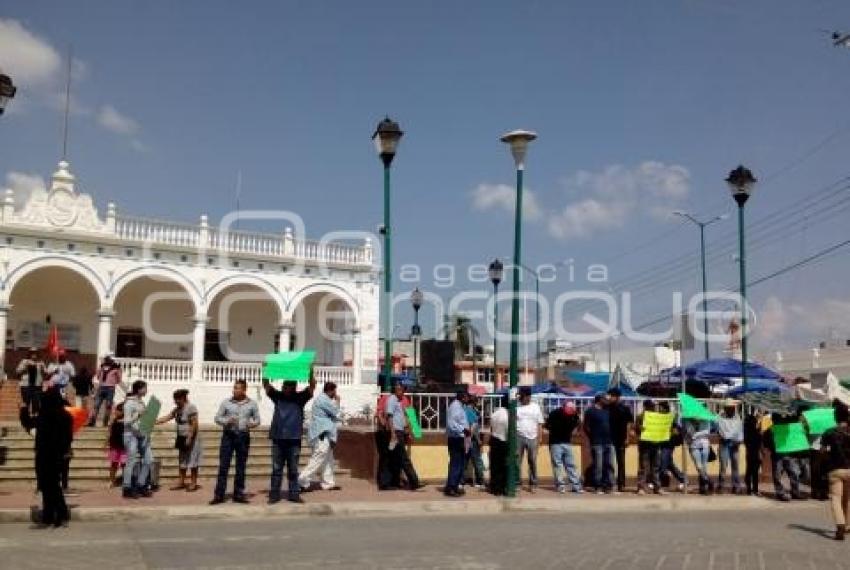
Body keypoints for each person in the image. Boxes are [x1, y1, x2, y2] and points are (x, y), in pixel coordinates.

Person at [20, 387, 73, 527]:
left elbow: (27, 423)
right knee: (54, 485)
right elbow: (69, 438)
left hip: (44, 455)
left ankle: (51, 515)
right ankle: (59, 514)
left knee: (46, 486)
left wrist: (23, 409)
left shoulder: (44, 415)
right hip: (59, 456)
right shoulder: (66, 416)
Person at [263, 374, 315, 504]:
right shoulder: (277, 396)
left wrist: (311, 371)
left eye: (288, 386)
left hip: (294, 438)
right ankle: (274, 495)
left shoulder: (300, 398)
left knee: (293, 469)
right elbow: (266, 385)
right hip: (278, 438)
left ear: (294, 387)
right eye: (284, 386)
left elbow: (312, 386)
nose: (285, 388)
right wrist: (264, 371)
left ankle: (294, 494)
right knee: (276, 469)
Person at [211, 379, 261, 504]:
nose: (234, 390)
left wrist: (251, 424)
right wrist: (226, 421)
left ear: (244, 390)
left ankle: (238, 494)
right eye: (234, 388)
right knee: (223, 466)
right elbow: (217, 418)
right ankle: (219, 495)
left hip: (243, 436)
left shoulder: (252, 404)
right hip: (228, 435)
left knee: (241, 466)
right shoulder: (226, 403)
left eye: (237, 388)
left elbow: (257, 420)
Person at [299, 382, 342, 492]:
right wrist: (338, 401)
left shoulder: (324, 400)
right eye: (334, 391)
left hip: (325, 432)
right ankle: (302, 480)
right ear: (331, 390)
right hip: (321, 433)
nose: (335, 393)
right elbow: (336, 412)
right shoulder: (323, 400)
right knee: (319, 456)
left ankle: (328, 483)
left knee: (328, 459)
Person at [156, 389, 201, 492]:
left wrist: (190, 437)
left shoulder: (191, 407)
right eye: (175, 399)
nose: (176, 401)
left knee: (192, 461)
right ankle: (181, 482)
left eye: (177, 399)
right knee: (182, 460)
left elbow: (194, 424)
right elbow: (167, 417)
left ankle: (193, 483)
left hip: (191, 437)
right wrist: (154, 422)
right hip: (181, 437)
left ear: (183, 398)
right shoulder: (177, 409)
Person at [384, 382, 423, 491]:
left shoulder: (403, 400)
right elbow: (389, 416)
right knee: (402, 458)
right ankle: (414, 481)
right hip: (396, 432)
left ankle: (392, 482)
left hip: (401, 431)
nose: (402, 392)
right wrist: (393, 433)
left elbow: (409, 416)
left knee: (396, 458)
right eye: (400, 390)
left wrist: (413, 432)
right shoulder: (393, 400)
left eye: (403, 390)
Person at [822, 403, 850, 540]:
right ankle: (848, 525)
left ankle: (840, 525)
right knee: (848, 498)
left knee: (836, 498)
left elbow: (822, 451)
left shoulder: (829, 432)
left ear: (835, 417)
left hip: (835, 469)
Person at [122, 380, 153, 499]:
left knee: (149, 460)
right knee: (131, 461)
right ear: (139, 389)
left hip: (142, 434)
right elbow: (126, 422)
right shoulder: (129, 403)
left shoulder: (141, 402)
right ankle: (127, 487)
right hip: (130, 435)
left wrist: (148, 419)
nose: (146, 390)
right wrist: (138, 415)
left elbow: (143, 419)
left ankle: (141, 484)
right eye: (145, 388)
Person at [545, 399, 582, 494]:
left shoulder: (573, 415)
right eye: (570, 409)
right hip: (555, 442)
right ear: (564, 407)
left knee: (571, 465)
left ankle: (576, 486)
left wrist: (575, 431)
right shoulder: (554, 413)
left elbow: (578, 423)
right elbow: (547, 425)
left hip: (567, 442)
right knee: (557, 465)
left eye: (572, 410)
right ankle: (560, 486)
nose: (571, 412)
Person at [767, 412, 802, 502]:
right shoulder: (770, 430)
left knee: (794, 473)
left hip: (788, 454)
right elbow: (766, 442)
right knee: (778, 475)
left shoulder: (787, 428)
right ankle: (780, 493)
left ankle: (795, 491)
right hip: (778, 455)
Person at [584, 393, 615, 493]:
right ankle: (598, 486)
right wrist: (592, 437)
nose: (607, 400)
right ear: (599, 400)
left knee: (609, 464)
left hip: (609, 441)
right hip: (597, 442)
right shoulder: (590, 411)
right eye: (604, 398)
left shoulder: (608, 411)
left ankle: (608, 486)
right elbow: (586, 427)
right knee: (598, 465)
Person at [516, 387, 544, 492]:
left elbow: (540, 423)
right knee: (517, 461)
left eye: (524, 396)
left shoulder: (535, 407)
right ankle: (517, 483)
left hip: (533, 437)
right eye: (521, 396)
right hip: (519, 436)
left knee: (532, 461)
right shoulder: (516, 407)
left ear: (528, 396)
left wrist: (540, 438)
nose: (522, 398)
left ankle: (533, 483)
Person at [607, 387, 634, 492]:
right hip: (609, 438)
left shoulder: (625, 408)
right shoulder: (607, 407)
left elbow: (629, 423)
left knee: (621, 462)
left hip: (621, 438)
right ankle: (610, 483)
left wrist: (627, 437)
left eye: (611, 396)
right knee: (609, 462)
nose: (609, 397)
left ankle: (621, 484)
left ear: (617, 397)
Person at [444, 390, 471, 497]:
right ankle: (451, 488)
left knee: (459, 464)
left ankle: (454, 486)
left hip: (460, 438)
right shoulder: (455, 407)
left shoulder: (459, 406)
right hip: (456, 439)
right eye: (467, 397)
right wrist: (463, 430)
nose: (468, 398)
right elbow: (451, 424)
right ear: (462, 397)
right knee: (456, 464)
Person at [635, 400, 664, 495]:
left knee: (656, 467)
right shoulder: (640, 417)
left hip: (656, 444)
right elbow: (635, 429)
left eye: (653, 406)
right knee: (643, 467)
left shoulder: (658, 417)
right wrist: (640, 428)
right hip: (645, 445)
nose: (653, 408)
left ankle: (657, 487)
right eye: (651, 406)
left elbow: (662, 428)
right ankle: (641, 487)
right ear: (646, 407)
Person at [657, 401, 687, 492]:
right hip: (661, 443)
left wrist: (674, 431)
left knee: (662, 464)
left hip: (668, 444)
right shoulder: (658, 418)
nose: (659, 410)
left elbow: (676, 430)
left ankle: (659, 481)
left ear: (665, 408)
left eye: (660, 408)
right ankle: (683, 479)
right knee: (669, 464)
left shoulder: (671, 418)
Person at [716, 398, 744, 494]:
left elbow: (739, 431)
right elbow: (723, 432)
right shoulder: (720, 417)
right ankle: (721, 485)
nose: (731, 409)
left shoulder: (737, 417)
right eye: (729, 407)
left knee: (735, 466)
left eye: (732, 407)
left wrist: (737, 439)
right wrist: (732, 435)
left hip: (735, 444)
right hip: (724, 444)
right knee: (723, 466)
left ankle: (736, 486)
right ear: (725, 408)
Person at [89, 355, 122, 427]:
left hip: (103, 387)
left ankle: (94, 421)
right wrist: (113, 381)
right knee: (107, 406)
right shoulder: (115, 368)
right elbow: (119, 379)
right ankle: (103, 422)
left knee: (98, 405)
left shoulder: (102, 367)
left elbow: (97, 376)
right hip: (109, 387)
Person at [684, 418, 714, 495]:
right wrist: (698, 433)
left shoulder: (706, 420)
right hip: (693, 446)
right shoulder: (687, 420)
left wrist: (696, 434)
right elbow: (690, 433)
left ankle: (703, 488)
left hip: (705, 445)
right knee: (698, 467)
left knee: (704, 467)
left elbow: (707, 432)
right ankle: (709, 481)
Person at [463, 395, 485, 489]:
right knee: (477, 461)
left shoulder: (463, 410)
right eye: (477, 402)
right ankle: (480, 481)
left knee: (464, 461)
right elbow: (474, 427)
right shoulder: (472, 412)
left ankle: (461, 481)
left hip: (463, 438)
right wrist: (479, 440)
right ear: (473, 403)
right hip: (471, 440)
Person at [488, 398, 509, 496]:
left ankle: (494, 488)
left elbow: (491, 428)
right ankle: (501, 488)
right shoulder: (507, 416)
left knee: (494, 465)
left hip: (494, 440)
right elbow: (508, 431)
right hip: (503, 441)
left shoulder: (495, 414)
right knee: (503, 466)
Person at [16, 347, 46, 416]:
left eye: (35, 352)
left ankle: (34, 419)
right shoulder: (24, 361)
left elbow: (45, 373)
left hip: (37, 385)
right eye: (32, 352)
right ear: (29, 353)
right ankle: (26, 419)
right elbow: (17, 372)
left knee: (36, 403)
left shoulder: (40, 362)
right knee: (26, 403)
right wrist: (25, 367)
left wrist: (43, 370)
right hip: (26, 385)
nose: (33, 354)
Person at [105, 402, 127, 488]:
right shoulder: (113, 420)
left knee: (124, 464)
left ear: (123, 412)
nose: (116, 412)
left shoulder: (127, 422)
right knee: (113, 464)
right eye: (116, 410)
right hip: (114, 445)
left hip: (124, 446)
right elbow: (110, 432)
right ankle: (112, 481)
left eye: (118, 410)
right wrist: (107, 441)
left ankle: (125, 481)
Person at [743, 409, 763, 496]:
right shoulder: (757, 431)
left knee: (749, 471)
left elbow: (746, 442)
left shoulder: (746, 432)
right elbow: (760, 442)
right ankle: (755, 490)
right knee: (755, 472)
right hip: (756, 453)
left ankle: (749, 490)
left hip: (750, 453)